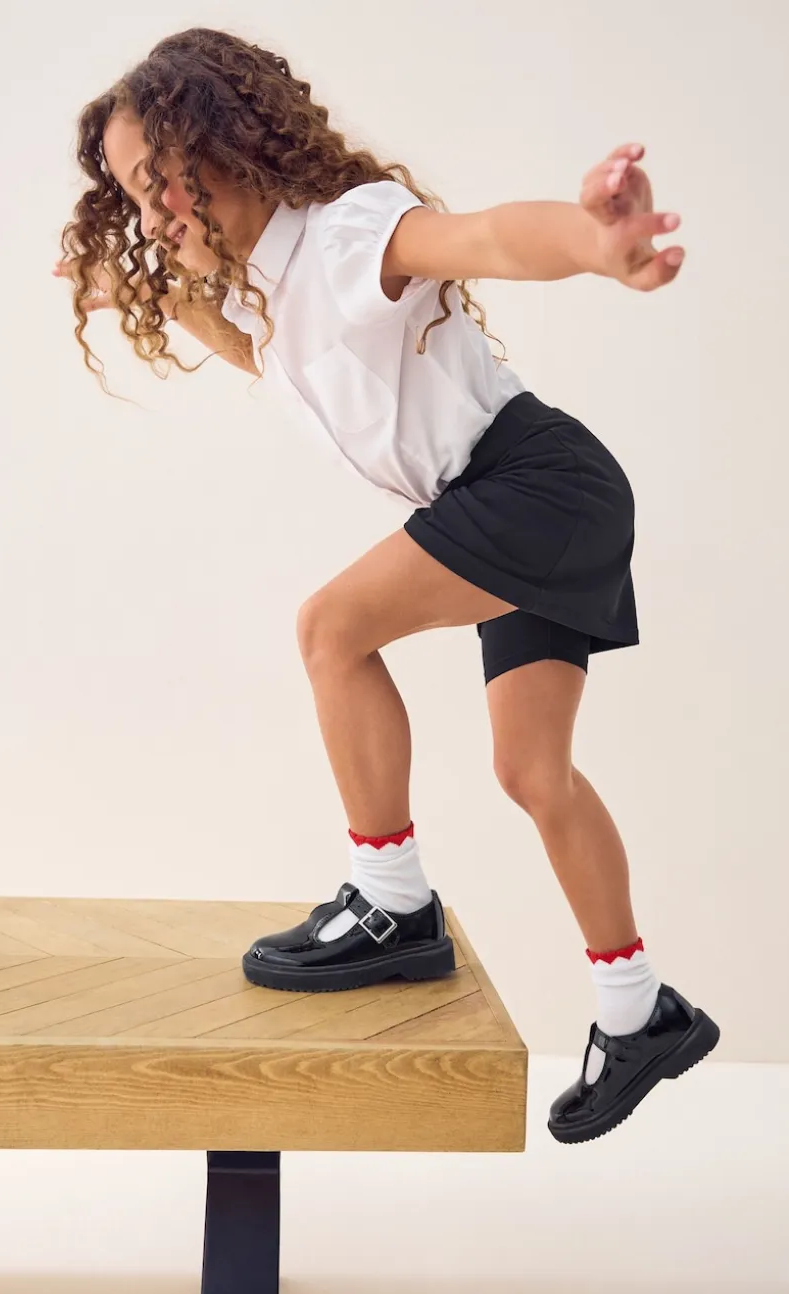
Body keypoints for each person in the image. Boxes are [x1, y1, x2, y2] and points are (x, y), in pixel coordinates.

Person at [54, 27, 719, 1144]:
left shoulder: (348, 233)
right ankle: (640, 1010)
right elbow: (269, 355)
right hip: (529, 497)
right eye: (132, 195)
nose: (154, 212)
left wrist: (597, 242)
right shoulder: (275, 294)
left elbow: (484, 237)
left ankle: (392, 901)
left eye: (159, 177)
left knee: (331, 629)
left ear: (219, 143)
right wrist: (149, 296)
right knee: (533, 771)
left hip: (533, 482)